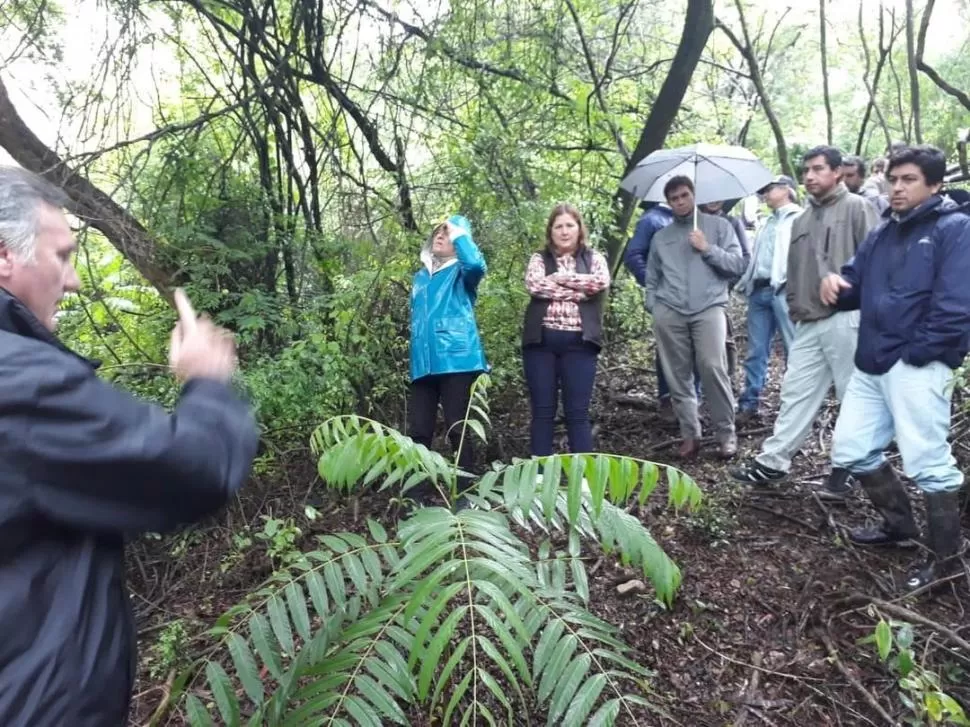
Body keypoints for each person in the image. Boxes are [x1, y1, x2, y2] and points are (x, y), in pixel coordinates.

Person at [0, 166, 258, 725]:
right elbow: (189, 470)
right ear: (4, 256)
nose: (72, 282)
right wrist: (207, 382)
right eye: (62, 256)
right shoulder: (19, 382)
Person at [820, 145, 969, 590]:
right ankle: (899, 527)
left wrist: (918, 354)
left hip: (918, 365)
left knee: (929, 462)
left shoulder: (955, 229)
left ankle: (948, 566)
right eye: (893, 178)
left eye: (909, 180)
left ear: (935, 185)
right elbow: (854, 286)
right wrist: (835, 284)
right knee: (850, 450)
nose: (897, 187)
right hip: (872, 361)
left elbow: (957, 306)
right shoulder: (884, 230)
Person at [730, 146, 879, 492]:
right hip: (809, 320)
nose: (810, 176)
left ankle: (847, 471)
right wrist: (796, 310)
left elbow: (877, 262)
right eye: (806, 170)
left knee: (853, 396)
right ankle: (773, 463)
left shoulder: (858, 208)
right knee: (796, 392)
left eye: (818, 169)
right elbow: (795, 270)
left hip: (848, 316)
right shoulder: (802, 219)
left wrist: (861, 302)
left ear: (838, 171)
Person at [644, 176, 746, 459]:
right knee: (677, 374)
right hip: (670, 310)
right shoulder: (661, 237)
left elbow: (737, 265)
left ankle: (727, 433)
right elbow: (652, 277)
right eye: (674, 198)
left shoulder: (719, 227)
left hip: (709, 307)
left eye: (684, 195)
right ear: (668, 202)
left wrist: (707, 248)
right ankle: (691, 434)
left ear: (694, 195)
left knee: (713, 366)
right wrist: (654, 305)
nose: (680, 202)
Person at [408, 215, 488, 505]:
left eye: (448, 233)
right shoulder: (420, 276)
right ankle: (414, 497)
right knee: (418, 430)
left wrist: (458, 233)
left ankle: (465, 493)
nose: (440, 236)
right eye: (438, 231)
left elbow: (477, 265)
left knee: (458, 426)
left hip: (457, 358)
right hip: (423, 363)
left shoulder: (463, 272)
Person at [523, 203, 610, 455]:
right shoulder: (539, 258)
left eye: (569, 225)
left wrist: (558, 278)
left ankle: (582, 482)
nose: (564, 231)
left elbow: (600, 282)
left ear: (579, 229)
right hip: (540, 343)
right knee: (542, 411)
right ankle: (538, 480)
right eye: (558, 226)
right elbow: (535, 285)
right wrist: (579, 292)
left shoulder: (594, 258)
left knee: (578, 414)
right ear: (550, 231)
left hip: (581, 344)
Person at [735, 175, 801, 419]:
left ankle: (793, 405)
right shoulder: (767, 222)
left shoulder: (799, 219)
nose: (765, 194)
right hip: (759, 290)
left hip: (784, 290)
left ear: (786, 190)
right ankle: (749, 402)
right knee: (755, 350)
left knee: (792, 348)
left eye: (770, 189)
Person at [623, 201, 699, 409]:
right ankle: (667, 398)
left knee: (696, 345)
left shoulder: (692, 219)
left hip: (694, 295)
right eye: (675, 195)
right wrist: (654, 283)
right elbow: (632, 255)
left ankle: (693, 399)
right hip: (667, 297)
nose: (680, 199)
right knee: (669, 347)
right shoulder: (652, 219)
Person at [699, 198, 752, 382]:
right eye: (709, 196)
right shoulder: (693, 222)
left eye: (718, 197)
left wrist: (729, 282)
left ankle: (727, 378)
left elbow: (744, 259)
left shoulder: (732, 222)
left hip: (721, 287)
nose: (713, 201)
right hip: (693, 289)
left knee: (721, 335)